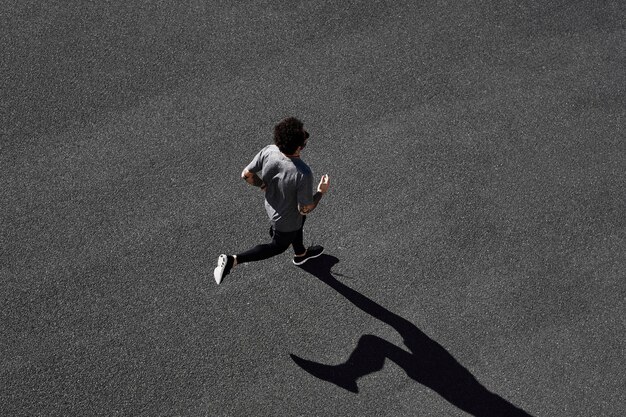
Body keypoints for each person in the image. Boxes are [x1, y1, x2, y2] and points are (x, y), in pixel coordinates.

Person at [214, 117, 330, 284]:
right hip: (285, 219)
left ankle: (301, 254)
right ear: (299, 147)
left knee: (298, 223)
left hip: (273, 206)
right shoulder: (302, 173)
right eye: (305, 138)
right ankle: (233, 260)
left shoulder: (270, 150)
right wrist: (321, 192)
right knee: (277, 247)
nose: (307, 136)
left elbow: (246, 175)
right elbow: (304, 209)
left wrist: (262, 184)